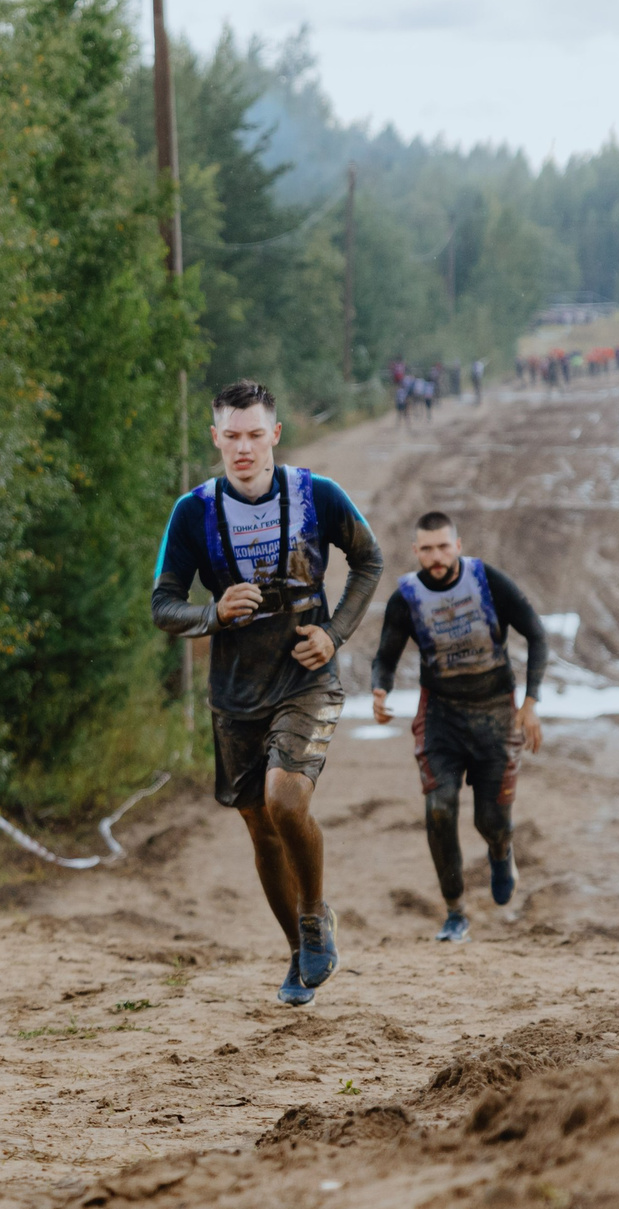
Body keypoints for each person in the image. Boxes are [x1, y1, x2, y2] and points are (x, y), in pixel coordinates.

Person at [152, 380, 383, 1007]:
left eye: (256, 435)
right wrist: (213, 613)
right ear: (216, 439)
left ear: (275, 434)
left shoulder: (319, 495)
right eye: (232, 436)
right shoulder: (192, 512)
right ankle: (298, 949)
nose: (244, 448)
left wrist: (334, 635)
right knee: (259, 827)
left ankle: (315, 916)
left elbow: (370, 562)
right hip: (234, 693)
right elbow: (163, 604)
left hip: (306, 678)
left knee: (285, 801)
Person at [369, 512, 548, 942]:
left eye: (443, 546)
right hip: (441, 718)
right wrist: (380, 690)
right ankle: (455, 912)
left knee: (492, 821)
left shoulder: (487, 581)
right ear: (416, 552)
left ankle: (501, 851)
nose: (435, 556)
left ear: (458, 545)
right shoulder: (407, 597)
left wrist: (531, 703)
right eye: (426, 549)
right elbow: (386, 654)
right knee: (440, 809)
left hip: (496, 714)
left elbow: (537, 635)